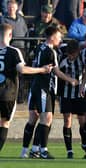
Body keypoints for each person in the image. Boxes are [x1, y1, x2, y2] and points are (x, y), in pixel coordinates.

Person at [20, 26, 78, 159]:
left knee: (33, 119)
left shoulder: (39, 47)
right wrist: (71, 80)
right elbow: (56, 71)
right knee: (47, 118)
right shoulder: (51, 52)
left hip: (34, 86)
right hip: (45, 88)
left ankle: (26, 150)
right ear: (52, 37)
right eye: (58, 36)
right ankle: (42, 150)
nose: (60, 39)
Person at [0, 23, 51, 152]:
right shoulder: (13, 51)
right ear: (10, 35)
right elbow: (22, 69)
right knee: (4, 123)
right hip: (7, 94)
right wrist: (41, 69)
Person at [58, 39, 86, 159]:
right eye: (69, 54)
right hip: (65, 94)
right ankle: (69, 150)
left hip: (79, 94)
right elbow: (57, 71)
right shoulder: (62, 58)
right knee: (67, 121)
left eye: (73, 54)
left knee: (82, 121)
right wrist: (68, 79)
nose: (71, 56)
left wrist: (82, 85)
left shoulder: (82, 58)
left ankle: (85, 144)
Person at [0, 0, 28, 103]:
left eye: (13, 7)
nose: (11, 9)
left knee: (21, 74)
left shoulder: (21, 19)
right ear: (7, 8)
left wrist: (27, 46)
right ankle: (9, 96)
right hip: (9, 50)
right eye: (9, 7)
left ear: (17, 8)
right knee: (10, 74)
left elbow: (26, 33)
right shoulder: (3, 19)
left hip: (22, 49)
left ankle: (20, 98)